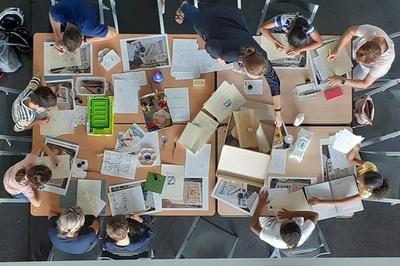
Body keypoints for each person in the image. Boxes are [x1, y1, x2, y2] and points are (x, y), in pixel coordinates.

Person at [175, 1, 283, 126]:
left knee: (208, 6)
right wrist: (218, 58)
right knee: (195, 16)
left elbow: (273, 81)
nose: (260, 77)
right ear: (244, 67)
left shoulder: (261, 56)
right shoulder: (228, 54)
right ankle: (183, 6)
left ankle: (203, 4)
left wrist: (278, 112)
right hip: (211, 21)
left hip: (232, 17)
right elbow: (210, 46)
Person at [309, 144, 389, 206]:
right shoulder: (370, 167)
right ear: (367, 172)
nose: (358, 180)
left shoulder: (366, 192)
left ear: (366, 187)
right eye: (360, 177)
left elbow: (343, 202)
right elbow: (350, 159)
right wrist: (355, 150)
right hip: (350, 171)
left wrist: (320, 201)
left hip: (346, 183)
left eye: (360, 182)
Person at [327, 24, 395, 89]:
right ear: (367, 41)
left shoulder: (383, 63)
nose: (357, 61)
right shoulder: (373, 32)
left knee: (350, 85)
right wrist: (337, 49)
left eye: (361, 61)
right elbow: (350, 31)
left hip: (368, 69)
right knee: (338, 53)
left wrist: (342, 81)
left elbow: (365, 84)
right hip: (358, 47)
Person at [250, 191, 318, 249]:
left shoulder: (273, 238)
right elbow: (315, 215)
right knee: (291, 200)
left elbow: (253, 226)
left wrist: (260, 204)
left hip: (270, 224)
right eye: (291, 221)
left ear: (280, 231)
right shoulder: (304, 232)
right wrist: (292, 214)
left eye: (285, 222)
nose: (287, 219)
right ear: (300, 228)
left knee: (263, 204)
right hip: (290, 218)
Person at [49, 0, 117, 53]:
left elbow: (114, 32)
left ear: (82, 36)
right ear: (62, 33)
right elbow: (51, 14)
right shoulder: (58, 13)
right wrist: (57, 37)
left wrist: (87, 40)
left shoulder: (89, 29)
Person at [3, 143, 58, 207]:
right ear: (34, 184)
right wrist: (41, 189)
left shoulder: (30, 161)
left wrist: (54, 157)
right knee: (29, 199)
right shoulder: (25, 187)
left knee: (32, 196)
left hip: (9, 173)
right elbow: (37, 204)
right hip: (11, 189)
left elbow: (41, 145)